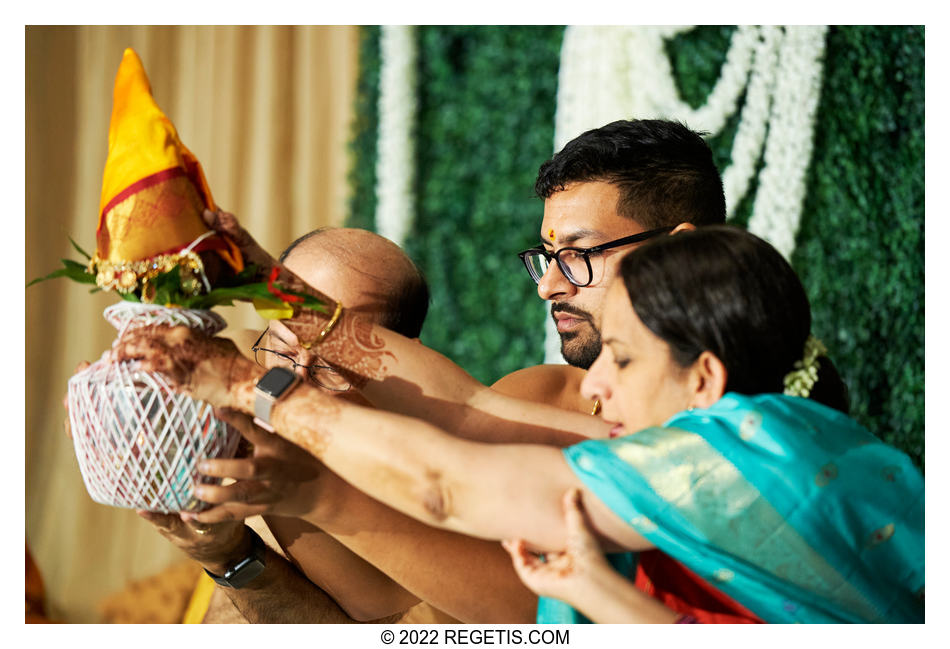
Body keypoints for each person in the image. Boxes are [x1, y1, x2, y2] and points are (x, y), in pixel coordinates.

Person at [115, 225, 924, 623]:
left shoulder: (711, 465)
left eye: (622, 358)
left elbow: (442, 484)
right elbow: (473, 404)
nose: (596, 385)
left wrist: (255, 383)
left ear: (703, 378)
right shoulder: (751, 444)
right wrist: (264, 281)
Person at [139, 226, 543, 624]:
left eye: (333, 365)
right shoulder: (248, 363)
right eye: (282, 346)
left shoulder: (429, 466)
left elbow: (387, 618)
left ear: (405, 363)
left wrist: (235, 558)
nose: (290, 384)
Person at [493, 118, 726, 413]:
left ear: (681, 251)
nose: (548, 287)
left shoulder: (762, 429)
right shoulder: (535, 403)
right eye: (550, 254)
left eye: (581, 253)